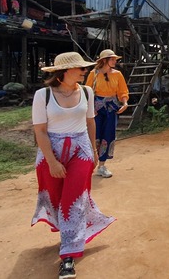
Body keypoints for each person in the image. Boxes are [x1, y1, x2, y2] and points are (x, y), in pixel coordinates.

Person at [31, 52, 115, 279]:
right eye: (80, 68)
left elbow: (90, 123)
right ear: (64, 72)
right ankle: (69, 232)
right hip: (52, 152)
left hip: (81, 150)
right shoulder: (43, 95)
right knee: (57, 199)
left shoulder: (87, 92)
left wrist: (94, 151)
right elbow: (40, 131)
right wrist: (52, 161)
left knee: (73, 201)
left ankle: (67, 255)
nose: (84, 71)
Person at [85, 49, 129, 179]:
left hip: (112, 108)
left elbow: (123, 91)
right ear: (104, 60)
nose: (115, 61)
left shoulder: (118, 74)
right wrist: (90, 108)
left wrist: (125, 103)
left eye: (115, 59)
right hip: (97, 109)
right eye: (112, 59)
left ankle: (102, 166)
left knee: (109, 135)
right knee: (94, 135)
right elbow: (87, 92)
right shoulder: (93, 74)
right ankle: (89, 165)